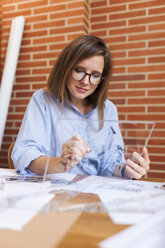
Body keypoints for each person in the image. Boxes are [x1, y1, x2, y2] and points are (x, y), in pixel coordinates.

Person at [12, 35, 150, 179]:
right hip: (52, 192)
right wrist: (60, 163)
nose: (85, 81)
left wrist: (128, 169)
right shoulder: (42, 100)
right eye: (79, 70)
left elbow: (111, 163)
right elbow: (24, 154)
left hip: (94, 194)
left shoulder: (108, 109)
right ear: (65, 68)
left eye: (95, 75)